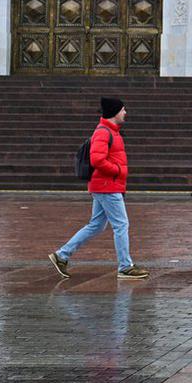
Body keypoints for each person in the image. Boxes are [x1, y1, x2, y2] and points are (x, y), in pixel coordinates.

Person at [49, 97, 148, 280]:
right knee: (121, 225)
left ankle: (62, 255)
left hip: (105, 185)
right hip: (107, 186)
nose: (125, 113)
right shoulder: (103, 132)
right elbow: (97, 160)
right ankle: (125, 267)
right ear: (114, 112)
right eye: (123, 110)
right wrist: (118, 171)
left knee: (96, 225)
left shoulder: (111, 131)